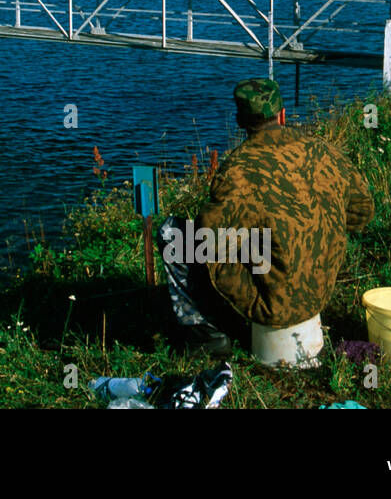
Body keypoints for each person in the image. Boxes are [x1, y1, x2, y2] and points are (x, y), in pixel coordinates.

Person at [159, 77, 374, 356]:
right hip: (321, 291)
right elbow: (362, 214)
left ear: (240, 120)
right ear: (282, 115)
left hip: (273, 306)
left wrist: (248, 241)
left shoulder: (237, 169)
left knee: (171, 232)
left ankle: (206, 334)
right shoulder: (324, 151)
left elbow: (208, 244)